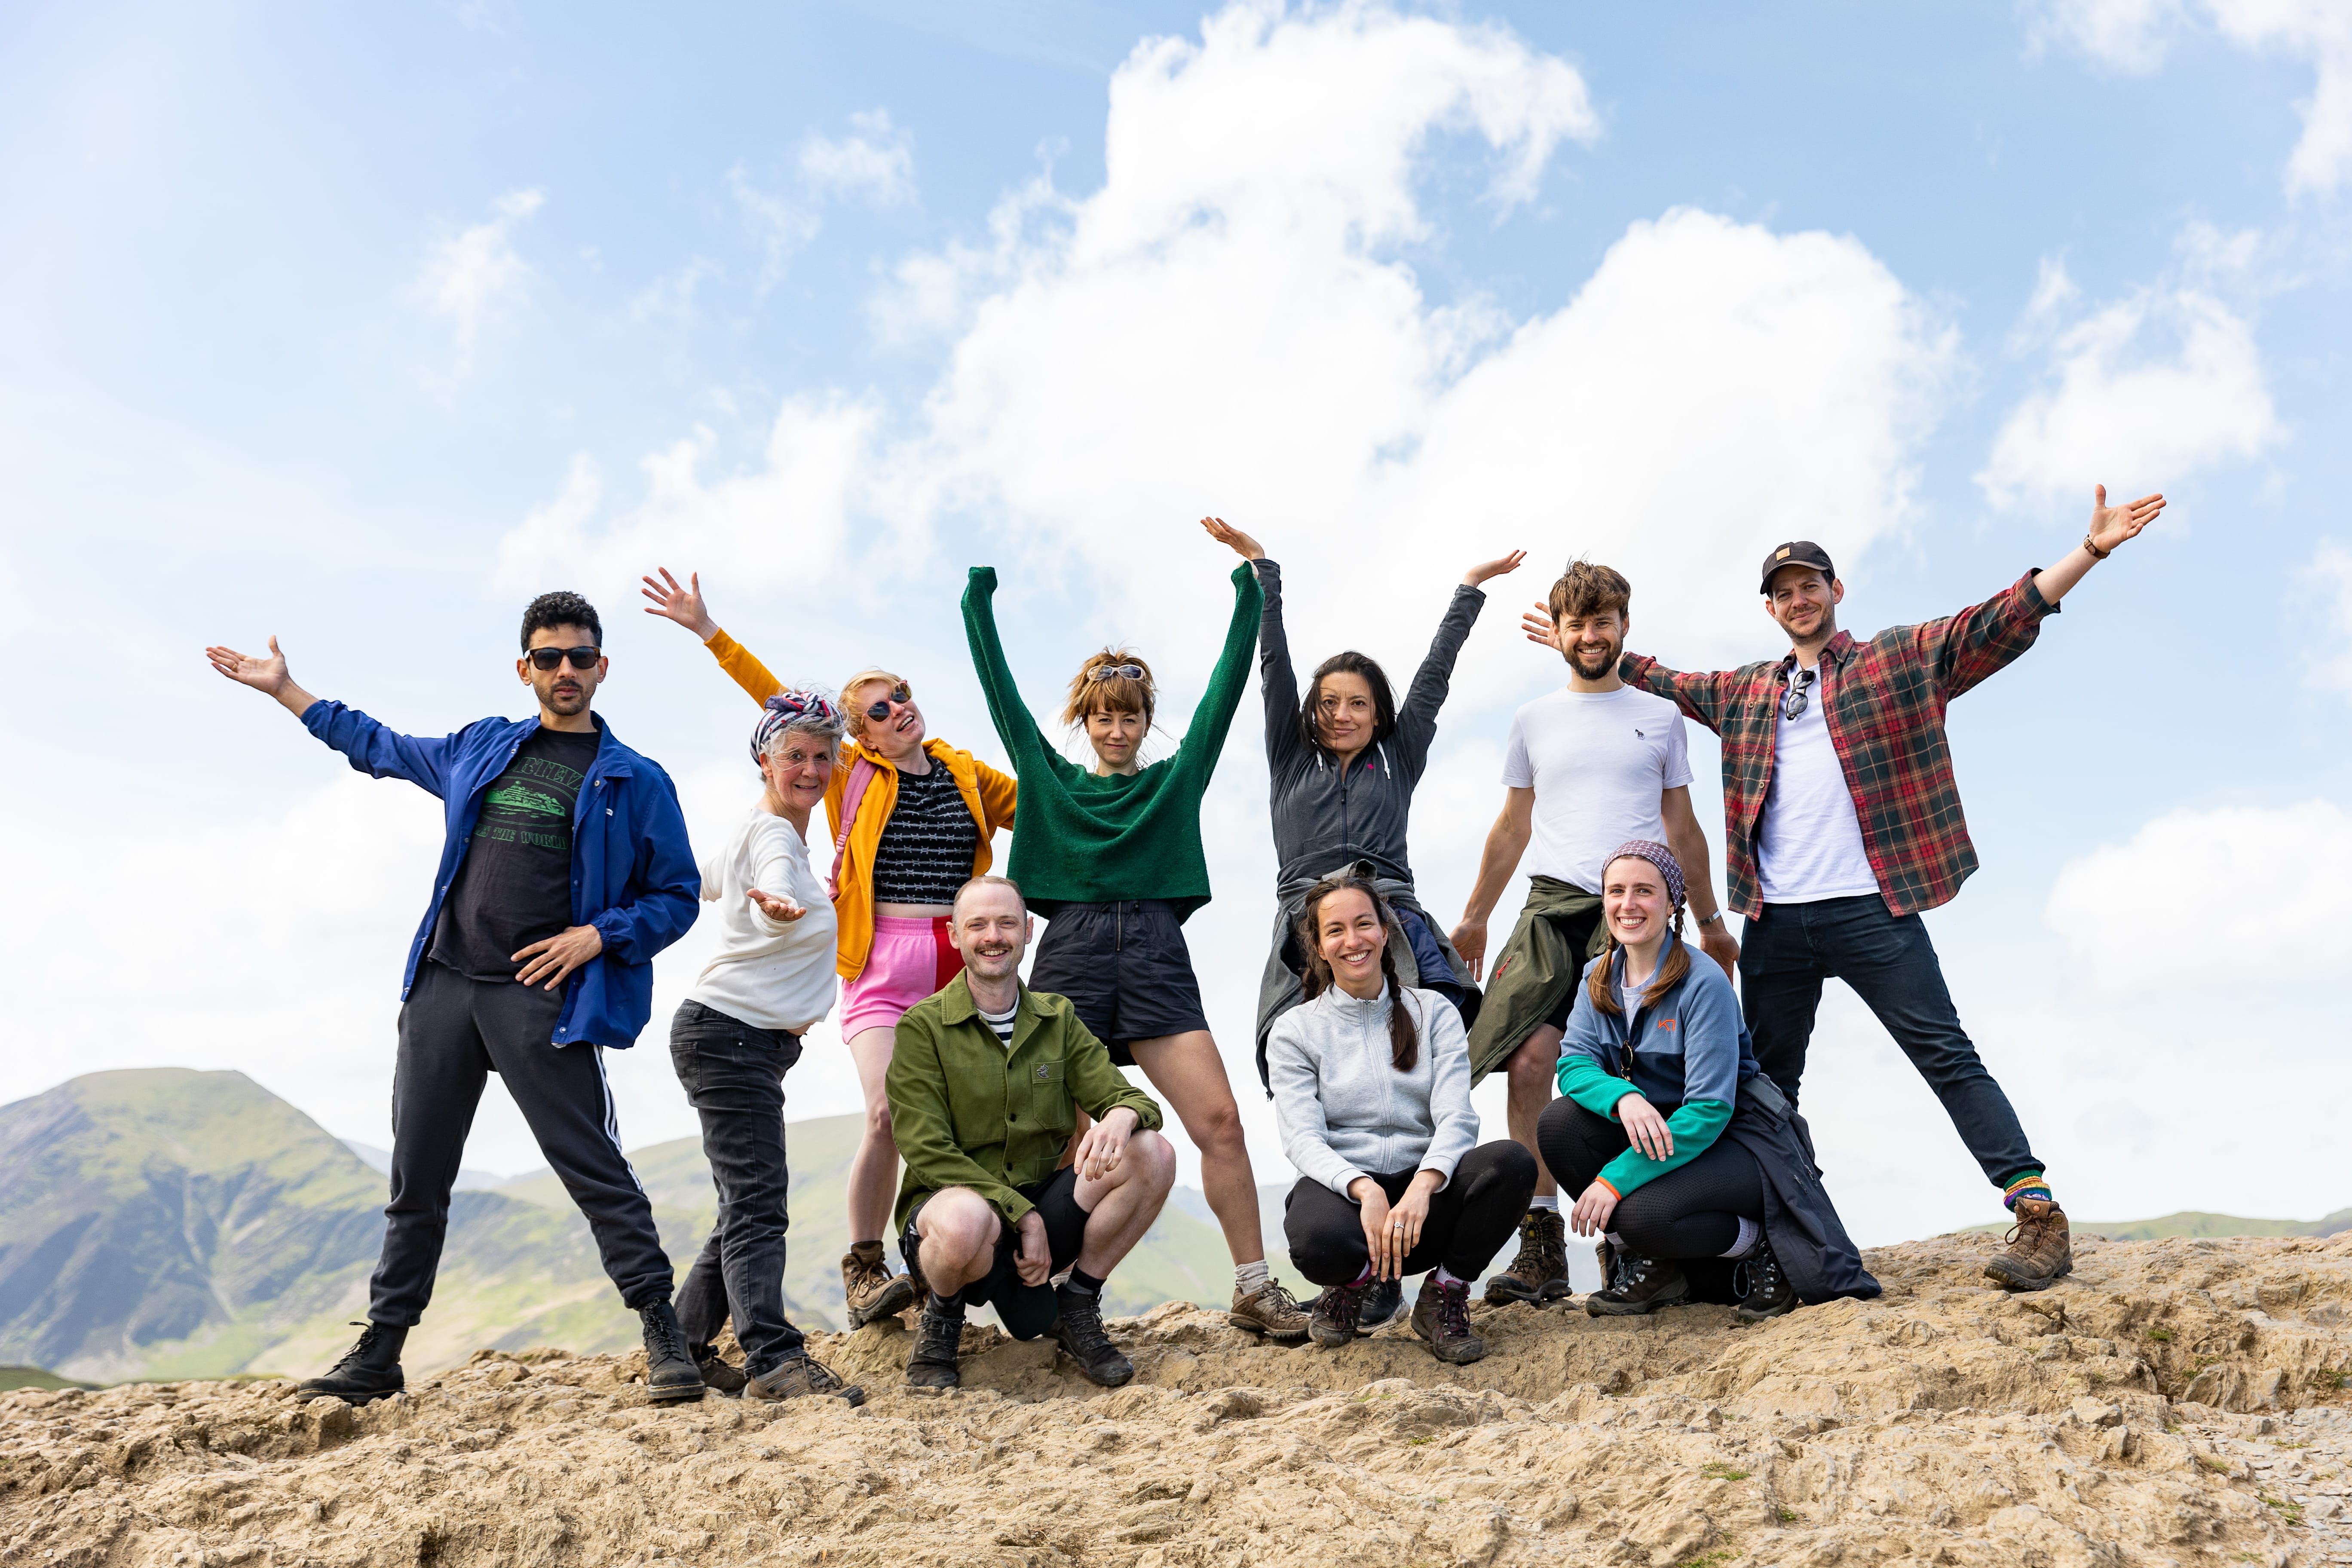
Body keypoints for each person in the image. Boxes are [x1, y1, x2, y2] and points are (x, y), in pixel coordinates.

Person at [1522, 487, 2168, 1291]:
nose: (1798, 598)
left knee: (1945, 1055)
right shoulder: (1749, 691)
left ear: (1835, 592)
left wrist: (2090, 552)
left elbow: (1996, 621)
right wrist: (1577, 641)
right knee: (1764, 1091)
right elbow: (1655, 674)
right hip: (1777, 919)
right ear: (1770, 607)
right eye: (1783, 590)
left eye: (1810, 585)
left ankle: (2036, 1213)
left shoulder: (1894, 661)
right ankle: (1773, 1245)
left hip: (1872, 906)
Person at [203, 593, 706, 1405]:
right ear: (525, 668)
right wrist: (288, 692)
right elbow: (380, 746)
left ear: (602, 667)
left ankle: (662, 1330)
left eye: (580, 656)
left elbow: (677, 895)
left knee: (594, 1166)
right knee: (417, 1177)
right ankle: (381, 1350)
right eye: (549, 657)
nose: (566, 670)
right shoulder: (480, 746)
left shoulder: (634, 779)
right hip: (443, 984)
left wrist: (599, 935)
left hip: (541, 996)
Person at [640, 568, 1017, 1329]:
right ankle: (864, 1263)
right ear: (862, 732)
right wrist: (712, 634)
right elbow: (780, 706)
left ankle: (954, 1261)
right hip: (880, 963)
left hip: (956, 963)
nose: (898, 708)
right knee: (885, 1113)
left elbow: (1044, 806)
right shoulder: (847, 772)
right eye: (880, 707)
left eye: (902, 693)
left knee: (968, 1120)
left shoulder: (964, 770)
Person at [962, 536, 1312, 1343]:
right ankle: (1048, 1288)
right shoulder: (1050, 781)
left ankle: (1254, 1286)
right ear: (1083, 720)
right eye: (1102, 715)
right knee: (1066, 1142)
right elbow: (1000, 693)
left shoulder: (1172, 780)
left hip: (1156, 954)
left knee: (1219, 1119)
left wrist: (1250, 585)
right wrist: (979, 595)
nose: (1116, 729)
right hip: (1074, 953)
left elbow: (1228, 690)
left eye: (1129, 716)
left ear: (1147, 722)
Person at [1449, 560, 1739, 1310]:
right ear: (1561, 629)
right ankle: (1540, 1240)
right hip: (1553, 902)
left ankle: (1628, 1237)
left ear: (1622, 626)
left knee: (1635, 1071)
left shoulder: (1660, 716)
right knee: (1526, 1061)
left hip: (1635, 903)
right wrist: (1477, 912)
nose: (1588, 634)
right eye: (1575, 623)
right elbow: (1513, 825)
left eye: (1601, 621)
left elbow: (1681, 824)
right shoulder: (1532, 718)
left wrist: (1708, 919)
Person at [1537, 842, 1877, 1318]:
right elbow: (1573, 1064)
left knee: (1641, 1213)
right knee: (1559, 1126)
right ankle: (1655, 1267)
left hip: (1738, 1143)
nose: (1627, 904)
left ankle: (1760, 1248)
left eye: (1644, 891)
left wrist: (1614, 1180)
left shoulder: (1704, 983)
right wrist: (1625, 1099)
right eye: (1616, 891)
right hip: (1661, 1132)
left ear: (1672, 904)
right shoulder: (1597, 976)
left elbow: (1707, 1112)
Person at [888, 876, 1179, 1391]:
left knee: (1151, 1152)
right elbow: (925, 1148)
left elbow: (1132, 1100)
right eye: (977, 925)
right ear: (955, 936)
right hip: (960, 1220)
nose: (992, 936)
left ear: (1028, 931)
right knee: (962, 1222)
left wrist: (1121, 1115)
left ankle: (1078, 1302)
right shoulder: (921, 1027)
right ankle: (943, 1316)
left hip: (1040, 1223)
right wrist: (1022, 1216)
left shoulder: (1058, 1018)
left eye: (1006, 923)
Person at [668, 691, 864, 1405]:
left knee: (742, 1205)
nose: (809, 767)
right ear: (765, 760)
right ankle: (774, 1361)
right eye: (794, 755)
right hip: (732, 1036)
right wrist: (777, 899)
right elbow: (765, 878)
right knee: (757, 1204)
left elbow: (700, 880)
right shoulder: (777, 838)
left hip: (730, 1037)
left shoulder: (762, 829)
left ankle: (682, 1351)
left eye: (821, 755)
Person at [1269, 871, 1537, 1364]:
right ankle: (1350, 1287)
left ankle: (1444, 1294)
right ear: (1320, 947)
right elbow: (1302, 1138)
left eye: (1365, 924)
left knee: (1513, 1164)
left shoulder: (1434, 1012)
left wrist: (1423, 1186)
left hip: (1424, 1211)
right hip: (1352, 1208)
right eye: (1336, 931)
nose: (1354, 941)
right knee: (1316, 1240)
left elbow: (1457, 1116)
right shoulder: (1295, 1031)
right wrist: (1364, 1188)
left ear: (1386, 932)